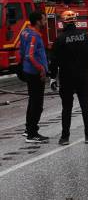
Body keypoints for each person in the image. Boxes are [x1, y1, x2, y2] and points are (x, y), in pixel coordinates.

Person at [49, 10, 88, 145]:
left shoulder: (60, 39)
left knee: (67, 108)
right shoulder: (85, 36)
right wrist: (87, 62)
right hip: (83, 76)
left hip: (66, 78)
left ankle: (65, 137)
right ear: (75, 22)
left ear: (63, 23)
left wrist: (53, 78)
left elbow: (53, 61)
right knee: (85, 105)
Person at [19, 11, 50, 143]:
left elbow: (21, 52)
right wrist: (41, 69)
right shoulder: (34, 36)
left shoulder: (24, 32)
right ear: (37, 21)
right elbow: (29, 55)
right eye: (43, 20)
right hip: (35, 74)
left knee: (32, 102)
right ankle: (33, 133)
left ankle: (28, 129)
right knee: (37, 104)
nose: (45, 22)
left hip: (28, 71)